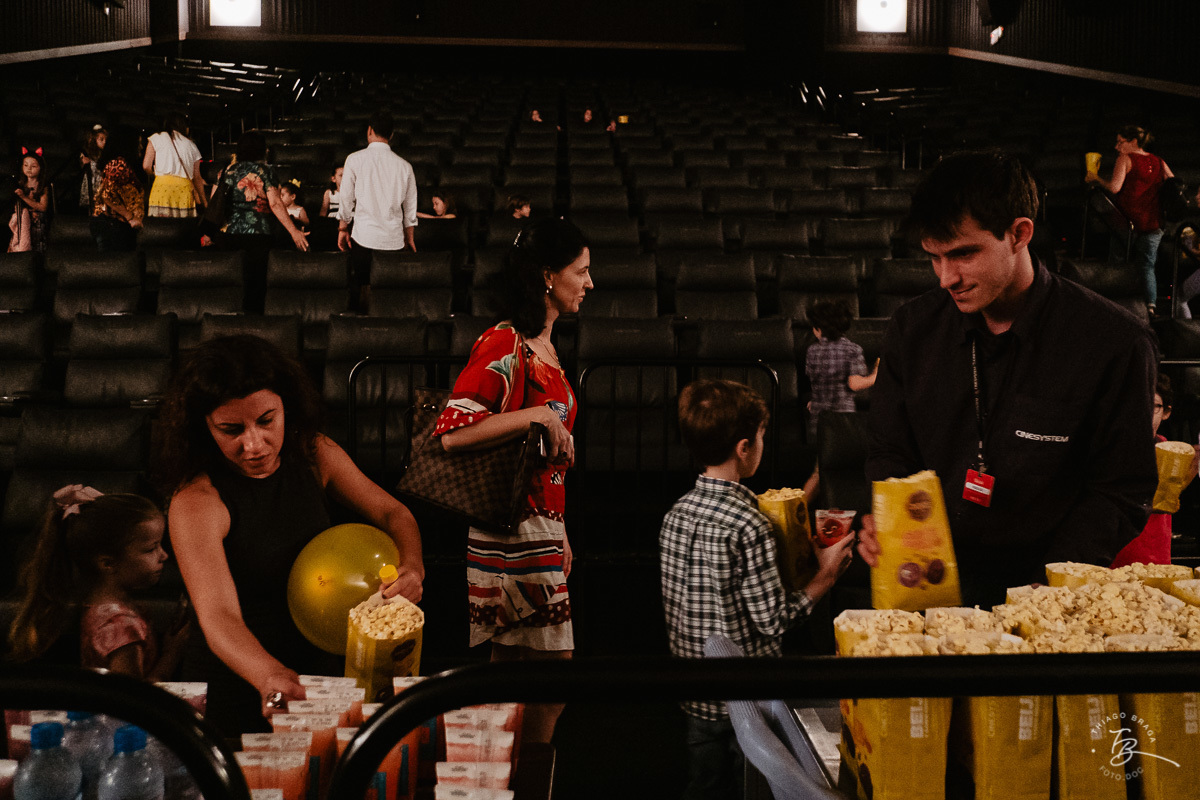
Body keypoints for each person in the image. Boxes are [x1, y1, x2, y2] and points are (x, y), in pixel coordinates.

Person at [859, 151, 1158, 607]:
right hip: (931, 583)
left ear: (1020, 234)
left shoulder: (1113, 342)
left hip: (1049, 589)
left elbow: (1120, 490)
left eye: (963, 254)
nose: (945, 278)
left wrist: (1051, 584)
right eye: (933, 258)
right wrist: (885, 516)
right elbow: (889, 450)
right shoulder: (912, 329)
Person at [155, 335, 424, 735]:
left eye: (266, 421)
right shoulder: (197, 500)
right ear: (204, 428)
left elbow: (392, 512)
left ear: (287, 407)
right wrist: (268, 675)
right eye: (231, 429)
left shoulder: (314, 453)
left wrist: (413, 566)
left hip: (320, 668)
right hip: (241, 678)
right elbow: (218, 618)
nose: (254, 444)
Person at [434, 218, 592, 744]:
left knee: (514, 678)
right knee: (549, 677)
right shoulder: (505, 341)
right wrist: (541, 416)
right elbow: (452, 433)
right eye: (582, 271)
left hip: (536, 529)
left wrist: (561, 529)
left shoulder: (541, 344)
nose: (590, 283)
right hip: (510, 531)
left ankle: (503, 777)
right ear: (549, 276)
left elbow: (546, 459)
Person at [660, 379, 854, 800]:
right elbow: (773, 621)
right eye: (762, 436)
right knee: (751, 786)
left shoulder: (675, 514)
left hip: (694, 691)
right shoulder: (751, 524)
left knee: (704, 786)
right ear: (744, 448)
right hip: (745, 702)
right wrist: (825, 577)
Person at [6, 486, 190, 681]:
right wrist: (172, 653)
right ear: (108, 563)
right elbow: (133, 701)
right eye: (151, 549)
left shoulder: (98, 609)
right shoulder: (120, 626)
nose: (164, 555)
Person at [1112, 374, 1200, 567]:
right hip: (1112, 558)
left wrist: (1190, 472)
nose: (1143, 413)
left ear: (1166, 412)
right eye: (1137, 404)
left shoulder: (1170, 449)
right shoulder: (1110, 448)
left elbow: (1167, 498)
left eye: (1153, 406)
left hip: (1155, 557)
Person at [1085, 125, 1174, 316]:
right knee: (1147, 265)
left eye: (1120, 142)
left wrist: (1096, 178)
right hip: (1153, 223)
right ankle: (1150, 306)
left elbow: (1115, 188)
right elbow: (1173, 184)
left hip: (1127, 221)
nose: (1117, 147)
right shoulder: (1159, 161)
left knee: (1118, 262)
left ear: (1133, 142)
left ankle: (1111, 304)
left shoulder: (1125, 159)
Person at [215, 131, 309, 311]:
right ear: (261, 150)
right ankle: (255, 324)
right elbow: (275, 202)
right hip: (258, 234)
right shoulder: (265, 171)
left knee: (235, 282)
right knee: (256, 285)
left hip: (230, 234)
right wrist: (293, 231)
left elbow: (218, 202)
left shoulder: (227, 171)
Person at [337, 111, 419, 308]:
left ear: (369, 131)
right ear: (391, 135)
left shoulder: (354, 160)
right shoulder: (405, 166)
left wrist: (342, 228)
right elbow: (410, 208)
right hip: (393, 241)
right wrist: (410, 238)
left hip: (363, 238)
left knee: (363, 287)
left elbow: (346, 199)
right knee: (389, 293)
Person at [805, 299, 877, 441]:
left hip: (819, 418)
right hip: (843, 419)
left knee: (822, 454)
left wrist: (816, 400)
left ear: (818, 329)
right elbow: (854, 384)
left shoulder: (812, 351)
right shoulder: (853, 349)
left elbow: (815, 381)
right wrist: (875, 375)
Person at [90, 126, 145, 253]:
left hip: (118, 225)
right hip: (111, 225)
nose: (141, 147)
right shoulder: (117, 165)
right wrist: (130, 217)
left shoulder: (121, 164)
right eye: (139, 143)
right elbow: (108, 195)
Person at [143, 112, 206, 218]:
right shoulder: (191, 145)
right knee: (181, 229)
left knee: (161, 227)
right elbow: (197, 177)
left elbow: (146, 166)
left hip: (161, 189)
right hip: (184, 191)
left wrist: (155, 175)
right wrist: (204, 201)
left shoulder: (156, 138)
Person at [8, 148, 51, 254]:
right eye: (26, 165)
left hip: (38, 221)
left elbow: (43, 207)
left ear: (40, 168)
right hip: (23, 219)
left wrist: (24, 197)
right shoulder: (20, 184)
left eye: (33, 166)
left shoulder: (42, 186)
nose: (29, 169)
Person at [78, 124, 107, 213]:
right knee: (92, 205)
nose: (104, 142)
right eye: (101, 139)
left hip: (101, 181)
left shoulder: (105, 154)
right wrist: (83, 160)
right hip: (92, 181)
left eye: (105, 140)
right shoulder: (87, 153)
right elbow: (82, 163)